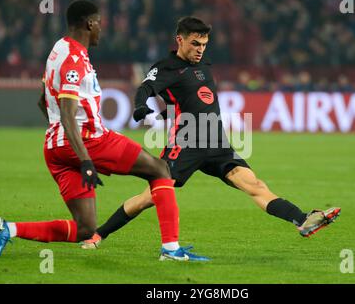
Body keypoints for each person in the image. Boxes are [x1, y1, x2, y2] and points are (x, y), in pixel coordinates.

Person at [82, 17, 341, 252]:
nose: (200, 49)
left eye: (204, 44)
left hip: (217, 141)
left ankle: (302, 219)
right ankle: (98, 234)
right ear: (180, 40)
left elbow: (191, 98)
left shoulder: (203, 62)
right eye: (195, 43)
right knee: (150, 197)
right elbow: (146, 87)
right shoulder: (167, 67)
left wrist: (171, 111)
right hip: (186, 143)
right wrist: (141, 105)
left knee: (255, 185)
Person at [0, 1, 208, 261]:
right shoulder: (74, 59)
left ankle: (6, 229)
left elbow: (42, 100)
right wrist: (85, 160)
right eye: (100, 23)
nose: (102, 29)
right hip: (89, 140)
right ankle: (171, 250)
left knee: (85, 228)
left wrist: (63, 137)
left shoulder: (58, 49)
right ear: (90, 24)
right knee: (160, 169)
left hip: (55, 147)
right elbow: (68, 113)